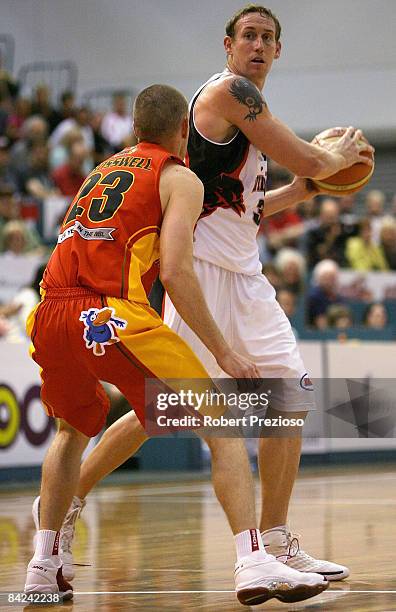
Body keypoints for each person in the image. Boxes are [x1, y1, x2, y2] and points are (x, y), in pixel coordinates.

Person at [42, 4, 374, 587]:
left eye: (269, 37)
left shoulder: (249, 129)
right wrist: (332, 160)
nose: (258, 44)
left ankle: (274, 541)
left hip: (245, 276)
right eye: (248, 35)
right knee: (160, 413)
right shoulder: (229, 94)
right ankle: (66, 507)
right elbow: (309, 156)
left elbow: (247, 209)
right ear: (227, 46)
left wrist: (301, 188)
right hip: (203, 274)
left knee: (288, 401)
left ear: (278, 50)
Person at [24, 83, 330, 605]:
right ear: (184, 132)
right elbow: (179, 271)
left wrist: (292, 195)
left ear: (134, 128)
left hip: (48, 311)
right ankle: (254, 560)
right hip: (109, 313)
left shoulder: (101, 171)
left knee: (72, 431)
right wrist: (225, 352)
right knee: (221, 421)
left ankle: (42, 566)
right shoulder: (178, 176)